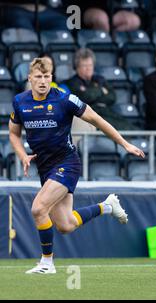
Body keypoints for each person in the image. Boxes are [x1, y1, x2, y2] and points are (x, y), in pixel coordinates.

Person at [9, 58, 145, 274]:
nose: (43, 81)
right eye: (38, 77)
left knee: (38, 209)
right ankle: (106, 206)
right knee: (66, 224)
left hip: (66, 163)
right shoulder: (20, 102)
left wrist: (125, 144)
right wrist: (22, 154)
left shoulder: (65, 100)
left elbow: (97, 120)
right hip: (45, 168)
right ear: (30, 78)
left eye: (46, 76)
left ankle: (47, 263)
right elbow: (14, 134)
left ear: (51, 78)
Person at [63, 48, 137, 130]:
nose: (88, 68)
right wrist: (101, 90)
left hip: (107, 113)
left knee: (131, 128)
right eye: (84, 65)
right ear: (76, 67)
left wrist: (93, 92)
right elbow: (86, 97)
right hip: (89, 117)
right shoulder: (71, 83)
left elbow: (112, 97)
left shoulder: (99, 79)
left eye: (90, 65)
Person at [1, 1, 67, 30]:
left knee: (62, 22)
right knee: (22, 22)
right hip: (13, 8)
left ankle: (53, 55)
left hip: (43, 9)